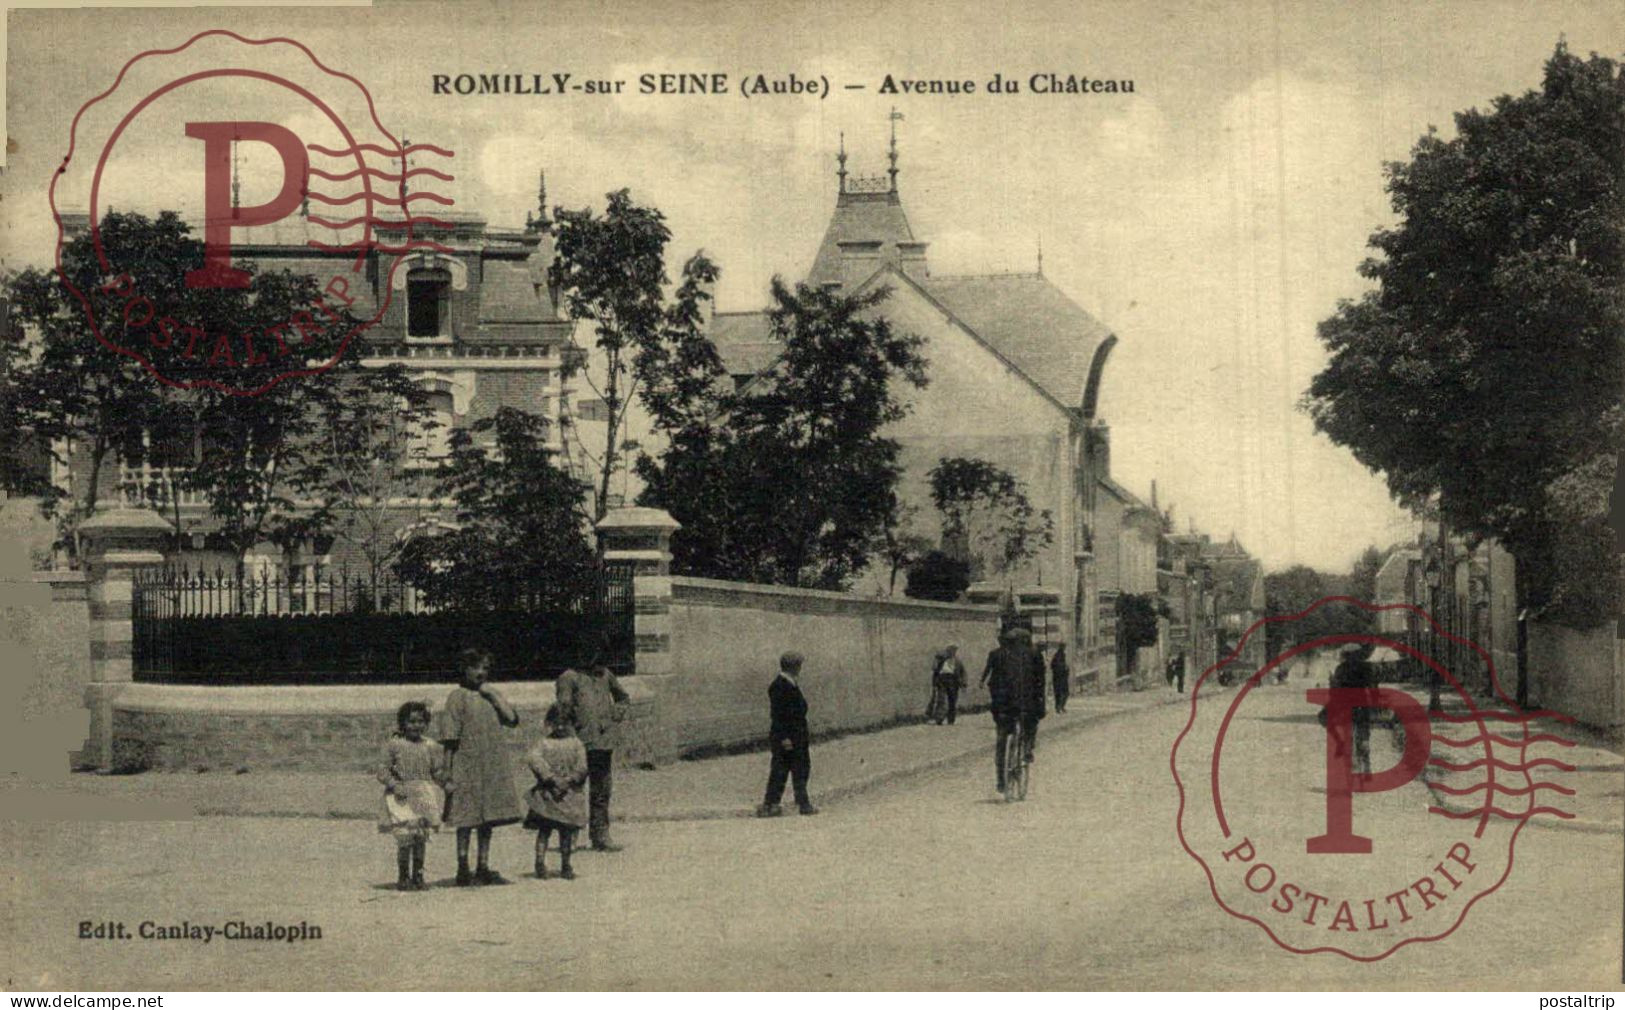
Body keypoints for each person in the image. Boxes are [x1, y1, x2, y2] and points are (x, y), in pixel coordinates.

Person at [440, 647, 523, 886]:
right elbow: (450, 737)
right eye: (475, 667)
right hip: (467, 765)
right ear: (463, 669)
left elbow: (512, 720)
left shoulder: (490, 696)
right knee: (466, 817)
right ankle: (463, 867)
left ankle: (483, 865)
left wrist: (494, 696)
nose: (480, 673)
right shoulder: (457, 697)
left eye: (485, 668)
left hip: (491, 765)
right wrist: (447, 770)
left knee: (488, 818)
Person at [556, 649, 631, 851]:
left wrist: (616, 712)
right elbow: (563, 711)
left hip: (603, 742)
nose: (590, 658)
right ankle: (569, 835)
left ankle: (600, 834)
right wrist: (568, 739)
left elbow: (623, 697)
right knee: (573, 790)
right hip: (578, 743)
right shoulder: (569, 678)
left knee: (601, 790)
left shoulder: (605, 675)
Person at [377, 701, 448, 891]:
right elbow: (382, 771)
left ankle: (418, 874)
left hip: (423, 795)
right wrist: (394, 785)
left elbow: (436, 771)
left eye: (421, 721)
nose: (416, 726)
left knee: (420, 836)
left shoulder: (430, 746)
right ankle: (403, 876)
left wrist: (446, 783)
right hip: (402, 796)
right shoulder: (395, 745)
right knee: (405, 838)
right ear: (402, 724)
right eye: (412, 721)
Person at [524, 704, 589, 881]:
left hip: (568, 795)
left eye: (564, 723)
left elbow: (582, 766)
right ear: (550, 723)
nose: (560, 727)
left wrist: (570, 779)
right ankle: (539, 862)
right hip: (548, 795)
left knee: (566, 832)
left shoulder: (576, 744)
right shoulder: (544, 743)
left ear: (571, 723)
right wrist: (550, 777)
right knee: (544, 830)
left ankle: (566, 864)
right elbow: (534, 759)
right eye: (556, 723)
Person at [981, 625, 1046, 794]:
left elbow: (992, 683)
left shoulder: (998, 655)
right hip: (1026, 706)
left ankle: (1001, 781)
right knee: (1031, 725)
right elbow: (1040, 681)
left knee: (1002, 742)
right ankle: (1028, 749)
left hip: (1003, 707)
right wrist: (1041, 704)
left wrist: (995, 704)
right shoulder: (1033, 654)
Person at [757, 651, 817, 817]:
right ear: (793, 667)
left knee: (800, 770)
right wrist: (784, 738)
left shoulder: (790, 683)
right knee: (781, 772)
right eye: (799, 665)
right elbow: (778, 715)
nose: (800, 669)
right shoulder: (779, 686)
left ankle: (799, 804)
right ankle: (772, 805)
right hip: (787, 738)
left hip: (796, 736)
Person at [1326, 642, 1377, 774]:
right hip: (1362, 705)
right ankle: (1367, 764)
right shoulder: (1367, 667)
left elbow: (1335, 691)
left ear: (1345, 655)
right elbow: (1372, 687)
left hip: (1345, 706)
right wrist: (1375, 702)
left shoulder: (1340, 669)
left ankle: (1342, 746)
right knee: (1364, 734)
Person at [930, 645, 968, 725]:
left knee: (953, 700)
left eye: (953, 651)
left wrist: (964, 683)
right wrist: (937, 658)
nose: (951, 653)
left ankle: (951, 719)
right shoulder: (941, 661)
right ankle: (939, 719)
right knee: (941, 699)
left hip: (953, 681)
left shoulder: (958, 662)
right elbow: (934, 668)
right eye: (949, 651)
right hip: (942, 680)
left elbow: (963, 672)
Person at [1050, 644, 1071, 713]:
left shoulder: (1061, 655)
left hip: (1060, 678)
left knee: (1062, 693)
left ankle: (1060, 706)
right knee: (1061, 693)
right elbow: (1055, 666)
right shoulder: (1058, 656)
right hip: (1059, 678)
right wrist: (1065, 669)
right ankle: (1059, 707)